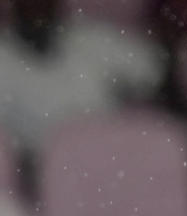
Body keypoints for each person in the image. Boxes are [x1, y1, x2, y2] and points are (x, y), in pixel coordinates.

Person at [0, 0, 163, 161]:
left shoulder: (94, 39)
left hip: (111, 156)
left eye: (46, 3)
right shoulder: (3, 58)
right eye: (30, 4)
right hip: (39, 169)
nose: (38, 9)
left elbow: (155, 71)